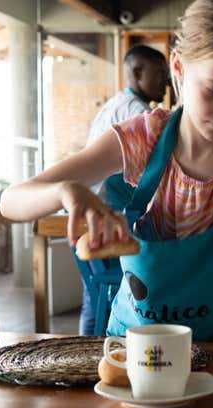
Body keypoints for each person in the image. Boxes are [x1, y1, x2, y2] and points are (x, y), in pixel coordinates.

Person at [0, 0, 213, 387]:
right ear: (178, 68)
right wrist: (67, 190)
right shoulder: (142, 138)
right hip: (129, 358)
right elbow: (11, 201)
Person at [78, 44, 169, 336]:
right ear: (137, 72)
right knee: (119, 292)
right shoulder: (139, 115)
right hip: (108, 213)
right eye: (160, 74)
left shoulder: (116, 103)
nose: (166, 83)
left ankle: (85, 353)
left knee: (94, 295)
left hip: (94, 211)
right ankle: (94, 355)